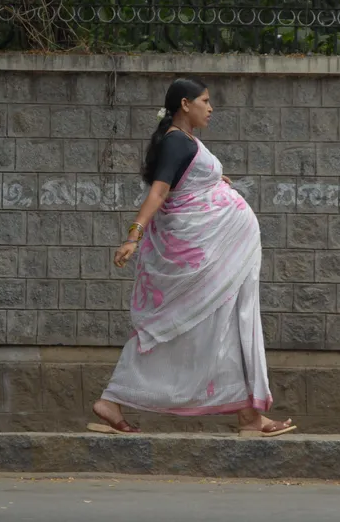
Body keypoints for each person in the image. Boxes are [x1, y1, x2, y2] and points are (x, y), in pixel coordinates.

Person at [88, 77, 296, 438]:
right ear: (185, 105)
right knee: (180, 328)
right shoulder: (176, 143)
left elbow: (187, 183)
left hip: (224, 255)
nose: (210, 107)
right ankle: (114, 399)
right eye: (204, 100)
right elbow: (160, 192)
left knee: (229, 327)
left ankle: (249, 418)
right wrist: (133, 236)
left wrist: (216, 182)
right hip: (206, 258)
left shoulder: (186, 143)